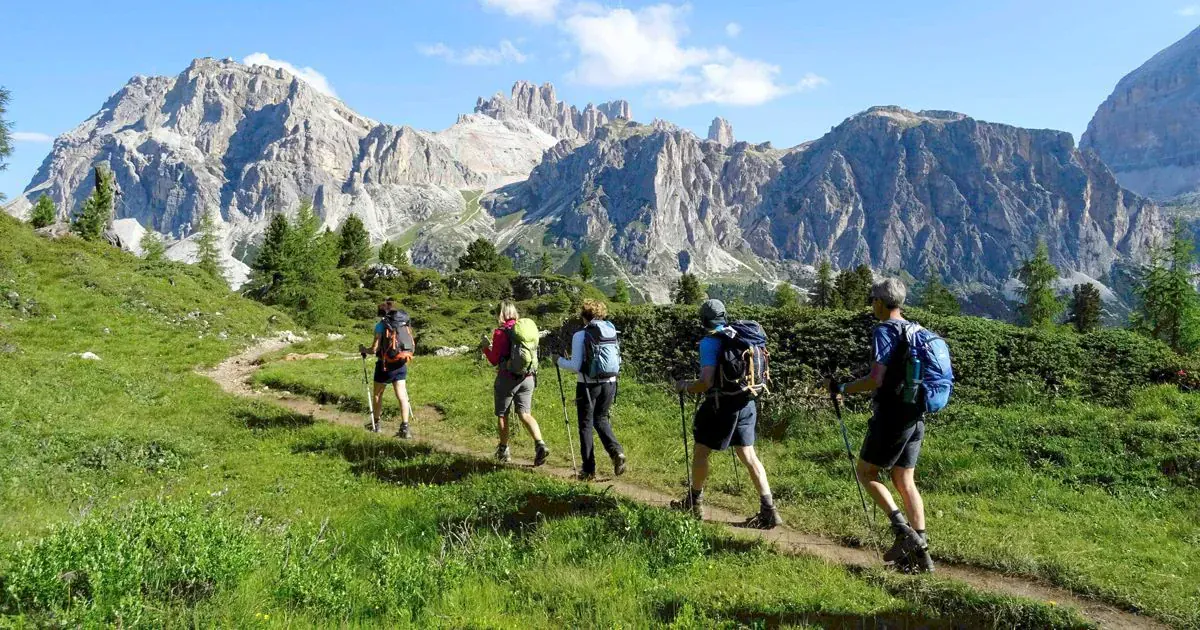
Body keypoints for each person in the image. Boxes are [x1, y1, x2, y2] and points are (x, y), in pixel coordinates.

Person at [828, 278, 934, 573]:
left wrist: (844, 388)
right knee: (904, 479)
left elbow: (876, 378)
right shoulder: (915, 330)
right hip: (916, 414)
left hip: (892, 415)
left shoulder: (884, 330)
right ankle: (921, 556)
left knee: (866, 472)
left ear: (879, 302)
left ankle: (903, 533)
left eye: (872, 299)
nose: (871, 304)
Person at [671, 299, 782, 529]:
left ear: (703, 320)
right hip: (747, 402)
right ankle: (769, 510)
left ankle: (694, 502)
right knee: (749, 455)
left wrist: (685, 386)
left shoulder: (710, 342)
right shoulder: (742, 335)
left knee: (701, 451)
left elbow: (706, 382)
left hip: (721, 406)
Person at [555, 299, 626, 480]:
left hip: (587, 384)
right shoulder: (611, 331)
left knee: (585, 425)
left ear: (584, 315)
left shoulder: (581, 335)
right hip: (610, 382)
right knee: (601, 419)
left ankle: (588, 470)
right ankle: (616, 451)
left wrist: (559, 361)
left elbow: (576, 366)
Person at [481, 301, 549, 465]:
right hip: (528, 377)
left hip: (507, 378)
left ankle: (503, 450)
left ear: (500, 314)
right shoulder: (524, 330)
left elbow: (494, 360)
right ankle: (540, 444)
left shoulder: (500, 332)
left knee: (503, 414)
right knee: (525, 414)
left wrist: (485, 348)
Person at [359, 298, 413, 439]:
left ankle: (376, 424)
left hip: (385, 366)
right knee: (402, 395)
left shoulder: (381, 326)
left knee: (378, 394)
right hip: (401, 362)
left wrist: (363, 349)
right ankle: (405, 428)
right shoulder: (403, 323)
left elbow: (374, 349)